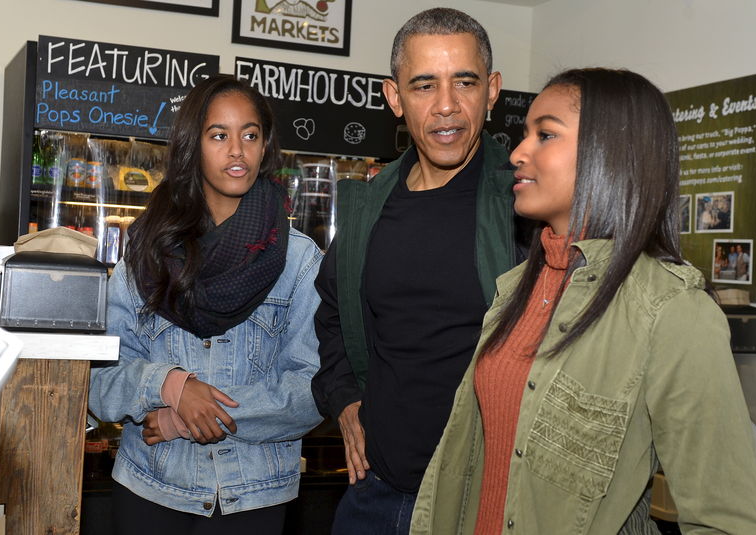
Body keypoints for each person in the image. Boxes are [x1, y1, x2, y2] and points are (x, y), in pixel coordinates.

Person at [410, 68, 756, 534]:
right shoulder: (516, 290)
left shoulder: (671, 311)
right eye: (526, 135)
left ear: (610, 154)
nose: (519, 153)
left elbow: (728, 520)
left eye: (545, 135)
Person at [310, 8, 525, 534]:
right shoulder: (366, 207)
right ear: (394, 96)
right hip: (376, 497)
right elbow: (334, 315)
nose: (446, 106)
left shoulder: (525, 203)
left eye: (465, 82)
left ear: (492, 90)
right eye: (424, 85)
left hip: (487, 503)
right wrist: (345, 400)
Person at [87, 75, 323, 534]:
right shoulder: (147, 250)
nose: (237, 150)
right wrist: (169, 384)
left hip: (252, 496)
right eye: (219, 135)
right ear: (192, 145)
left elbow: (314, 390)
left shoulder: (298, 259)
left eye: (250, 135)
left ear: (265, 146)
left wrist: (186, 418)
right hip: (151, 486)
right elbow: (99, 379)